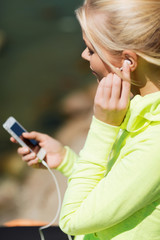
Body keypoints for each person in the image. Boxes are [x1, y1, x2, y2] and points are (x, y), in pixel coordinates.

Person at [11, 0, 160, 239]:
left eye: (91, 49)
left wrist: (104, 126)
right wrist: (66, 160)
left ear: (128, 62)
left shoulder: (155, 143)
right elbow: (113, 187)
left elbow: (72, 219)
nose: (83, 55)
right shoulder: (143, 109)